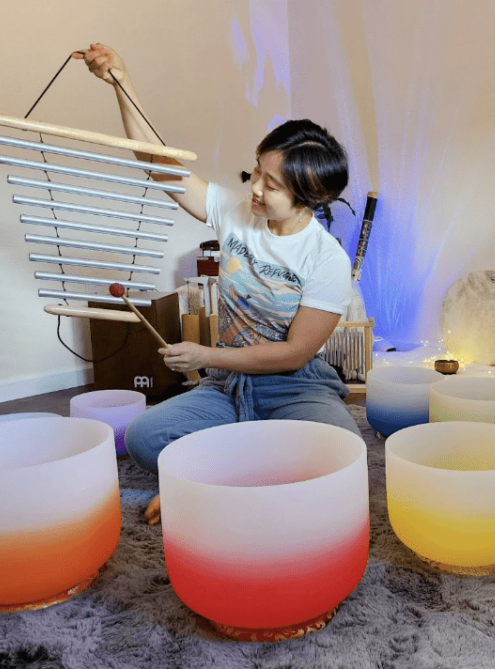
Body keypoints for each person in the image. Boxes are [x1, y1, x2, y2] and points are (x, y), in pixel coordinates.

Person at [74, 44, 361, 524]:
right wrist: (122, 84)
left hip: (295, 386)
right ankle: (246, 468)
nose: (254, 188)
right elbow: (160, 165)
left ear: (309, 196)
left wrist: (204, 356)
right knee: (145, 437)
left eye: (271, 185)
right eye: (256, 171)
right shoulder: (234, 211)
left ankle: (211, 480)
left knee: (341, 450)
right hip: (228, 384)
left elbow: (293, 353)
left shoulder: (325, 259)